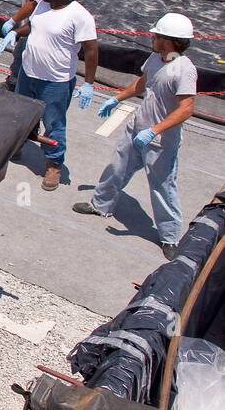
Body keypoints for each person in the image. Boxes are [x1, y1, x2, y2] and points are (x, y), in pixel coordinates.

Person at [73, 13, 198, 260]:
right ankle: (101, 205)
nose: (152, 37)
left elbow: (186, 108)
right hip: (136, 129)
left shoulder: (184, 70)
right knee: (116, 168)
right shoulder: (155, 59)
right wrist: (116, 98)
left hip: (160, 141)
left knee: (163, 187)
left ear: (170, 40)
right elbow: (142, 84)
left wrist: (154, 131)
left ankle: (170, 237)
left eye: (157, 35)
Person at [11, 0, 98, 191]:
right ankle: (16, 146)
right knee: (21, 115)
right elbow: (33, 26)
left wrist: (89, 83)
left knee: (54, 124)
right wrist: (13, 33)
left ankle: (53, 165)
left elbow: (90, 50)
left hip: (55, 82)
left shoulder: (79, 16)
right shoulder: (42, 5)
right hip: (28, 74)